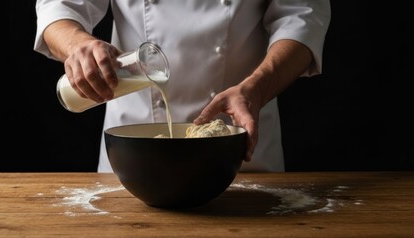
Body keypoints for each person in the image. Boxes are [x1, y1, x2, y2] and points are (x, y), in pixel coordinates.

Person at [34, 0, 331, 173]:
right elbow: (59, 6)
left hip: (240, 152)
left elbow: (302, 14)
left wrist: (257, 88)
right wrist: (78, 44)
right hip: (133, 159)